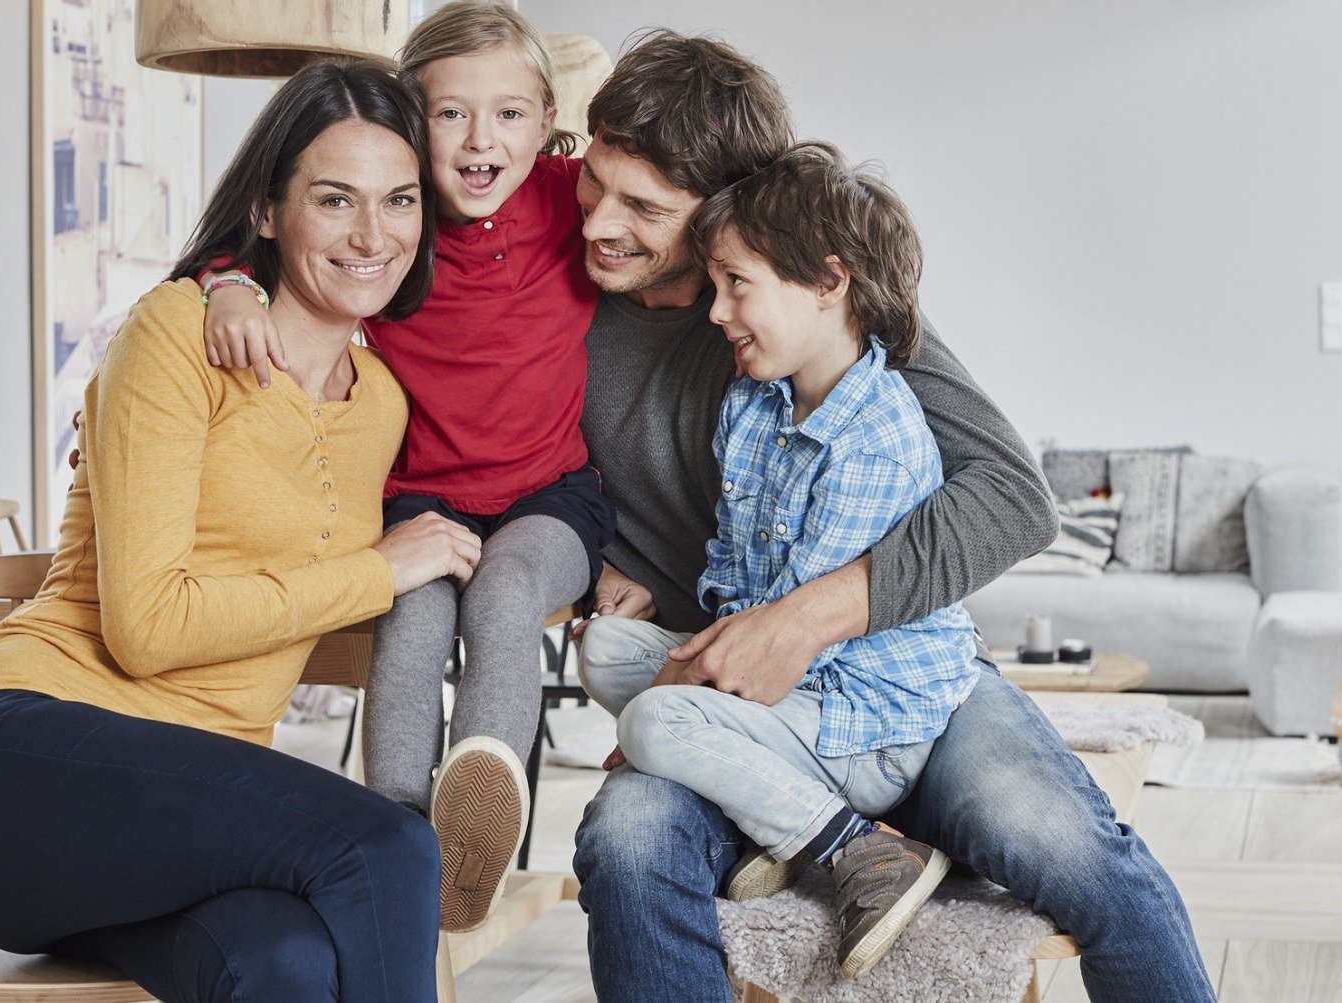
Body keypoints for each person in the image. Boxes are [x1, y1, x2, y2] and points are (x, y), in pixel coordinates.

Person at [566, 30, 1217, 1002]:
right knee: (623, 839)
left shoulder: (811, 305)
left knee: (1062, 839)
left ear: (723, 215)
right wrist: (594, 556)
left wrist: (804, 618)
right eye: (593, 181)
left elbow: (1009, 493)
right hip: (718, 678)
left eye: (643, 208)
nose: (596, 225)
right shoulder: (550, 286)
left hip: (890, 671)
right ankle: (832, 838)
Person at [0, 58, 481, 1003]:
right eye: (336, 199)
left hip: (183, 821)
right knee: (385, 841)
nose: (373, 234)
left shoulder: (380, 400)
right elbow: (147, 627)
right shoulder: (179, 331)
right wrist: (378, 571)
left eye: (400, 201)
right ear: (267, 210)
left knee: (281, 963)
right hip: (20, 763)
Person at [196, 1, 613, 933]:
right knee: (414, 618)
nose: (480, 139)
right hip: (417, 501)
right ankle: (394, 828)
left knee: (506, 596)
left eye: (509, 113)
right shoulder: (394, 223)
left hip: (552, 494)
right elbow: (254, 237)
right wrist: (226, 284)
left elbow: (667, 207)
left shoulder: (571, 198)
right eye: (451, 113)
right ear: (410, 126)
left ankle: (476, 830)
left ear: (547, 124)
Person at [580, 140, 979, 981]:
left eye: (737, 286)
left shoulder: (877, 439)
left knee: (654, 723)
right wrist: (679, 664)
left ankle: (860, 849)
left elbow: (791, 640)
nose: (717, 311)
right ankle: (784, 818)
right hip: (784, 693)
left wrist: (678, 698)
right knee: (607, 650)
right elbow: (732, 562)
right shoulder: (754, 402)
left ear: (829, 283)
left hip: (863, 719)